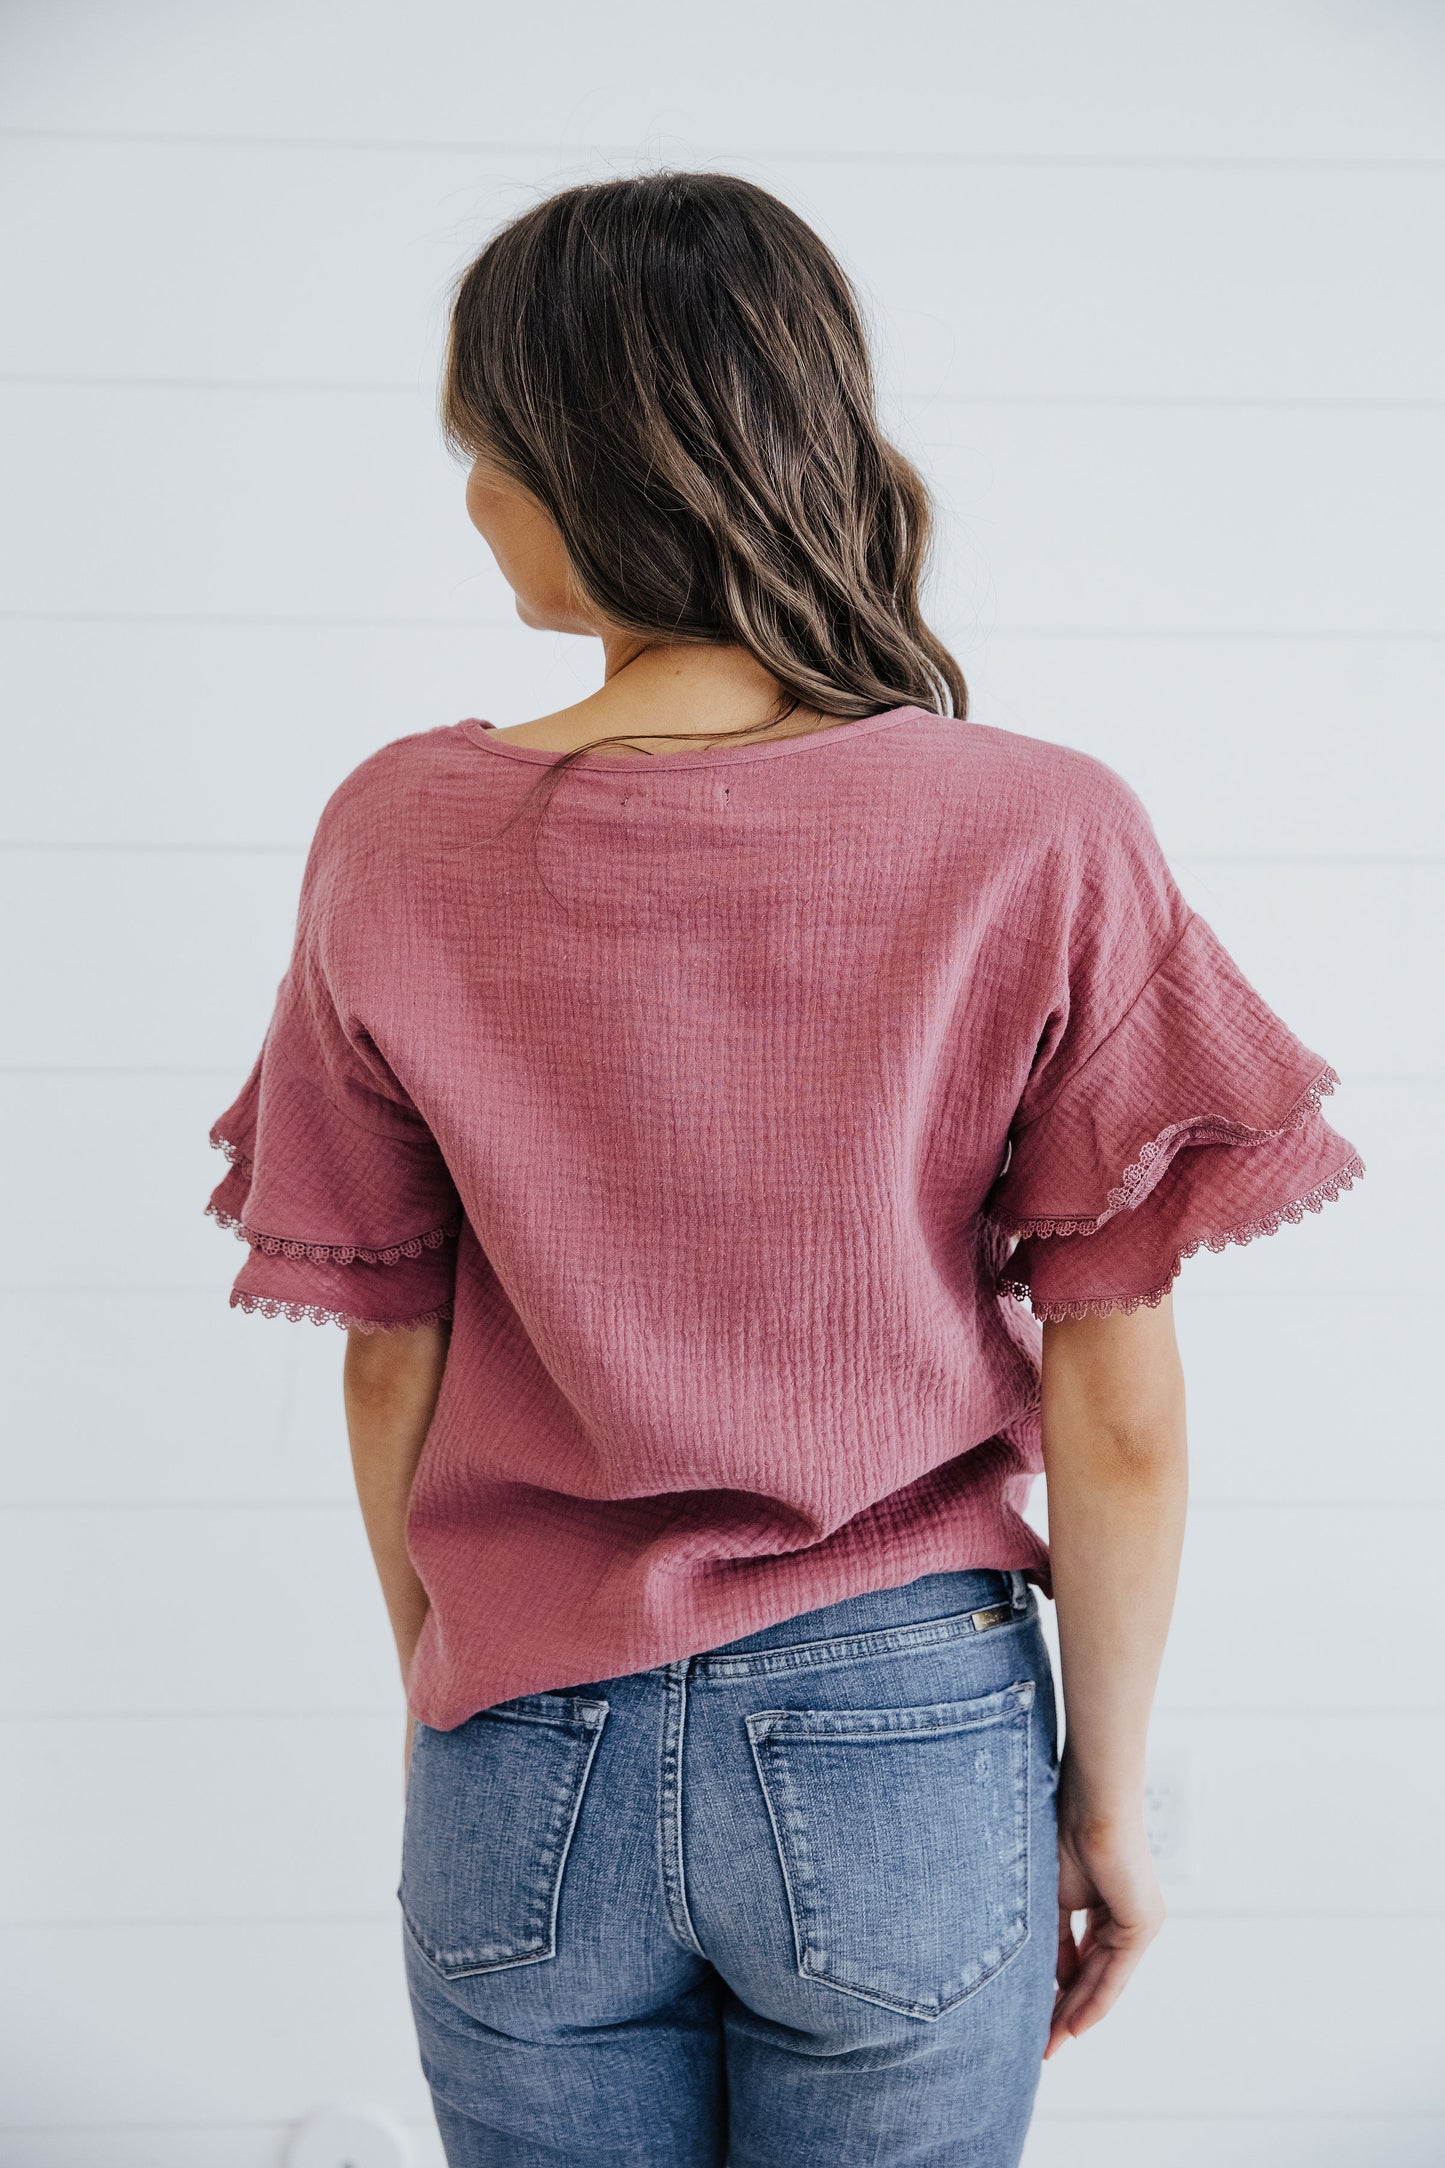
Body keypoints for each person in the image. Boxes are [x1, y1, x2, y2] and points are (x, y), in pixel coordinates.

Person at [205, 173, 1363, 2168]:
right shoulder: (1039, 831)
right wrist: (1108, 1804)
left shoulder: (395, 834)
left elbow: (387, 1354)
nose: (470, 488)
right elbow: (1121, 1395)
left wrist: (459, 1692)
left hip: (520, 1747)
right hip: (908, 1733)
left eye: (486, 439)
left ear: (593, 457)